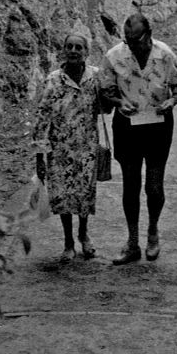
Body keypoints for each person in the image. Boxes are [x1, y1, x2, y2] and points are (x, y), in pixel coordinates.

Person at [97, 10, 177, 264]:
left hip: (158, 126)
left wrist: (171, 102)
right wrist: (118, 102)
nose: (132, 46)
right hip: (128, 127)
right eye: (127, 40)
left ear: (149, 35)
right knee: (131, 185)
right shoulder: (114, 56)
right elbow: (105, 91)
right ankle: (132, 241)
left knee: (154, 186)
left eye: (136, 40)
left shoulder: (164, 55)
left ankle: (153, 232)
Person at [33, 25, 103, 264]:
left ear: (86, 52)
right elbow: (42, 118)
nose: (73, 51)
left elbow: (106, 105)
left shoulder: (95, 77)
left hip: (87, 147)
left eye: (78, 47)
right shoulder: (53, 80)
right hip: (60, 149)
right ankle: (68, 242)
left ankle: (84, 234)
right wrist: (40, 157)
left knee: (84, 194)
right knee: (62, 196)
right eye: (69, 46)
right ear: (63, 50)